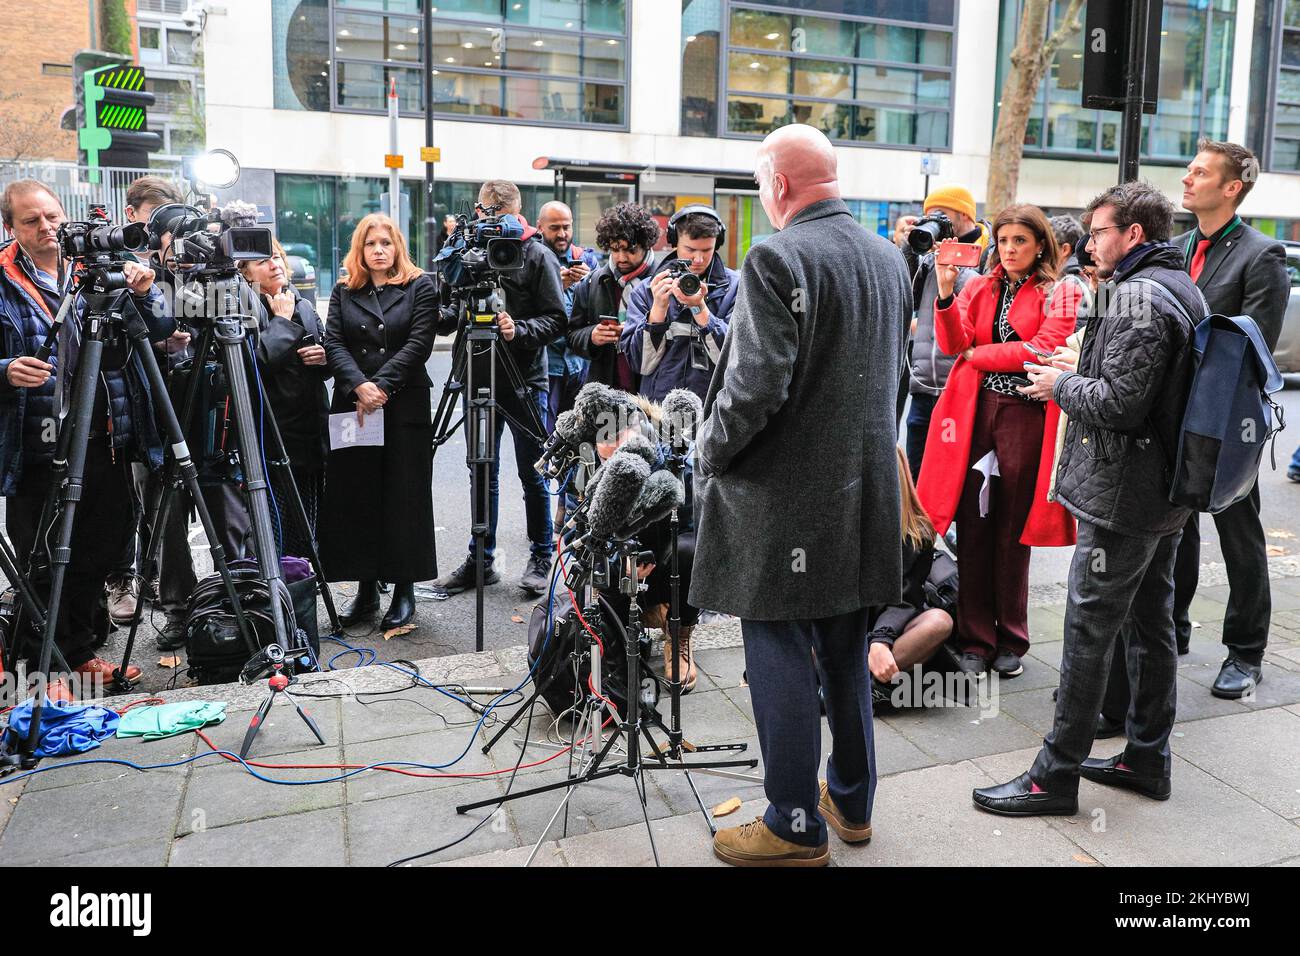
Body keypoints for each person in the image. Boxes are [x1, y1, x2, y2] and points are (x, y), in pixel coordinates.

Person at [693, 125, 910, 867]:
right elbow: (898, 382)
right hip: (862, 493)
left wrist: (707, 452)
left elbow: (754, 387)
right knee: (845, 647)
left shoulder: (777, 254)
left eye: (761, 187)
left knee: (778, 646)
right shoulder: (889, 257)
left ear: (778, 185)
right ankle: (850, 802)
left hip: (785, 500)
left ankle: (791, 822)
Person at [973, 181, 1203, 816]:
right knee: (1150, 622)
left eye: (1098, 232)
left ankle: (1054, 777)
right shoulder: (1177, 283)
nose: (1088, 243)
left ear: (1133, 235)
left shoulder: (1136, 296)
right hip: (1161, 491)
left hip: (1124, 496)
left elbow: (1119, 406)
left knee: (1088, 631)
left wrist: (1061, 383)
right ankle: (1146, 757)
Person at [0, 179, 174, 698]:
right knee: (44, 555)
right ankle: (35, 667)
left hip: (107, 434)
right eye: (31, 221)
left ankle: (78, 653)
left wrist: (144, 292)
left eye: (51, 216)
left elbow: (159, 327)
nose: (46, 228)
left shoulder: (94, 266)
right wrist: (5, 370)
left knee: (96, 550)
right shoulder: (4, 278)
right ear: (10, 227)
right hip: (40, 440)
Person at [917, 205, 1079, 679]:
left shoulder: (1060, 291)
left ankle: (1011, 638)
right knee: (973, 524)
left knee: (1012, 528)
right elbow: (951, 344)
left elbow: (1042, 349)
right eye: (1003, 240)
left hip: (1026, 416)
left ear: (1041, 246)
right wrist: (945, 293)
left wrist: (979, 354)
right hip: (974, 413)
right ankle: (974, 639)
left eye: (1020, 242)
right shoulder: (979, 285)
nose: (1009, 250)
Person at [1170, 140, 1290, 699]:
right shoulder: (1174, 247)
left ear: (1231, 187)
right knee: (1175, 531)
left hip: (1227, 419)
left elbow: (1255, 347)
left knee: (1238, 534)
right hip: (1171, 414)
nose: (1188, 178)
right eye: (1190, 170)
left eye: (1200, 172)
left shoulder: (1262, 254)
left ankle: (1245, 651)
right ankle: (1172, 630)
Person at [433, 180, 566, 597]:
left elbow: (557, 318)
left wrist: (517, 328)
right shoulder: (467, 252)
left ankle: (542, 555)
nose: (485, 219)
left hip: (524, 380)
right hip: (478, 376)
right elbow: (449, 315)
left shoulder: (535, 253)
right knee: (482, 470)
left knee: (533, 473)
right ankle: (480, 558)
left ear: (505, 210)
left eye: (488, 211)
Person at [319, 213, 437, 632]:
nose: (379, 250)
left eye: (386, 243)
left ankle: (404, 591)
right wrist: (358, 386)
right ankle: (366, 590)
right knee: (357, 496)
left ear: (397, 246)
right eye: (371, 244)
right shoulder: (343, 290)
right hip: (355, 406)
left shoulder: (420, 285)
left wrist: (381, 385)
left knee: (405, 497)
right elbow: (333, 341)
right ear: (361, 250)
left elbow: (420, 342)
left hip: (403, 405)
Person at [105, 175, 190, 629]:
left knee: (171, 499)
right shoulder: (115, 262)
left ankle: (172, 592)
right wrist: (158, 345)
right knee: (146, 496)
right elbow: (110, 335)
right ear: (132, 214)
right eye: (151, 217)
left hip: (190, 395)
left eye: (166, 219)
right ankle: (149, 587)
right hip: (139, 398)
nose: (160, 231)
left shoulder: (187, 261)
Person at [239, 239, 331, 561]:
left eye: (276, 257)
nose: (275, 264)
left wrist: (324, 357)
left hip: (311, 435)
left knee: (308, 525)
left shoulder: (302, 303)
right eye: (263, 261)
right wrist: (280, 321)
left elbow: (327, 358)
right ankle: (278, 593)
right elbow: (254, 366)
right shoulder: (244, 308)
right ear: (245, 272)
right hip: (274, 438)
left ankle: (303, 581)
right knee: (275, 527)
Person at [893, 185, 991, 479]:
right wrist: (911, 247)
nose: (932, 220)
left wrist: (952, 266)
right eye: (928, 215)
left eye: (940, 215)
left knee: (952, 476)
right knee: (917, 473)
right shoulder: (928, 255)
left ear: (963, 215)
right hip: (922, 383)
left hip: (962, 386)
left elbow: (980, 303)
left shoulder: (990, 254)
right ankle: (916, 527)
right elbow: (903, 289)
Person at [867, 447, 956, 709]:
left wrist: (880, 641)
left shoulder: (917, 532)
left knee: (939, 622)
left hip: (892, 633)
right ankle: (870, 687)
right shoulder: (842, 526)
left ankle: (858, 686)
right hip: (841, 635)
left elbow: (906, 599)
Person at [619, 206, 737, 403]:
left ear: (718, 243)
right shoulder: (647, 291)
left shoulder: (736, 288)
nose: (698, 259)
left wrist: (700, 309)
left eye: (707, 250)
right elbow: (641, 365)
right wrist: (657, 311)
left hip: (713, 413)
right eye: (690, 250)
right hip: (658, 412)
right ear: (674, 242)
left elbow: (734, 360)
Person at [567, 201, 660, 393]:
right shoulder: (593, 281)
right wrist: (592, 336)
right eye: (615, 249)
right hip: (605, 390)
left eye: (630, 250)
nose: (621, 257)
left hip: (651, 394)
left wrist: (638, 332)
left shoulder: (662, 282)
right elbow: (572, 335)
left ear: (646, 245)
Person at [534, 200, 599, 431]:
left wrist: (591, 282)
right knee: (546, 437)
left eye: (566, 227)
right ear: (540, 227)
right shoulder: (532, 260)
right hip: (547, 366)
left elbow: (601, 311)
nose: (562, 234)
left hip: (580, 366)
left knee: (580, 435)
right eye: (555, 228)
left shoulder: (587, 259)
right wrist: (553, 288)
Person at [1050, 214, 1096, 327]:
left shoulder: (1070, 284)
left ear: (1064, 249)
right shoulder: (1086, 276)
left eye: (1047, 246)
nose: (1039, 252)